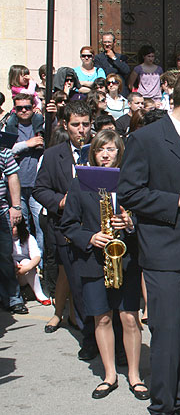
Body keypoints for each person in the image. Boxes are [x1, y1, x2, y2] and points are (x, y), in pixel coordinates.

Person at [117, 71, 180, 415]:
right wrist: (178, 200)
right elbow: (130, 193)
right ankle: (162, 405)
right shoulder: (146, 139)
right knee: (167, 333)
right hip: (164, 250)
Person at [60, 129, 148, 400]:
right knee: (102, 317)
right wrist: (90, 237)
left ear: (119, 152)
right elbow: (68, 225)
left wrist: (131, 223)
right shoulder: (80, 183)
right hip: (93, 261)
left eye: (111, 149)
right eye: (100, 149)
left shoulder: (130, 180)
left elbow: (146, 217)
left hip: (127, 260)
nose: (106, 154)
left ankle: (134, 375)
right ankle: (109, 375)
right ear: (93, 153)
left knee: (130, 318)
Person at [34, 100, 98, 358]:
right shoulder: (53, 154)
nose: (81, 130)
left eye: (86, 124)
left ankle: (110, 341)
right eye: (75, 125)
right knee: (79, 288)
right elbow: (40, 189)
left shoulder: (102, 149)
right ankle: (89, 338)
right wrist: (60, 201)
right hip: (66, 230)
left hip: (97, 229)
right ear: (65, 125)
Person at [5, 93, 45, 259]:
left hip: (37, 185)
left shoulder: (42, 124)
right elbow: (5, 150)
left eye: (27, 107)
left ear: (33, 107)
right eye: (19, 108)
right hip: (17, 187)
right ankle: (25, 260)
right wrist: (27, 144)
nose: (23, 111)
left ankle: (40, 263)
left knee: (40, 226)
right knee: (23, 226)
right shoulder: (9, 127)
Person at [1, 145, 27, 314]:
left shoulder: (3, 152)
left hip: (1, 213)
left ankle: (12, 297)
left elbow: (12, 176)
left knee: (4, 256)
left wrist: (16, 206)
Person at [12, 220, 49, 305]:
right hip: (11, 270)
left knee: (26, 262)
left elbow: (37, 257)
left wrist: (26, 268)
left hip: (24, 272)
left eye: (14, 226)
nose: (11, 228)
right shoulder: (4, 239)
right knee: (10, 262)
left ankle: (39, 294)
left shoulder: (28, 237)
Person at [93, 32, 130, 96]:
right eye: (105, 42)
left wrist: (114, 58)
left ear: (114, 42)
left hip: (120, 91)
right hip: (106, 91)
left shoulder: (121, 57)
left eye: (109, 42)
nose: (107, 44)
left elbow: (126, 71)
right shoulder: (98, 58)